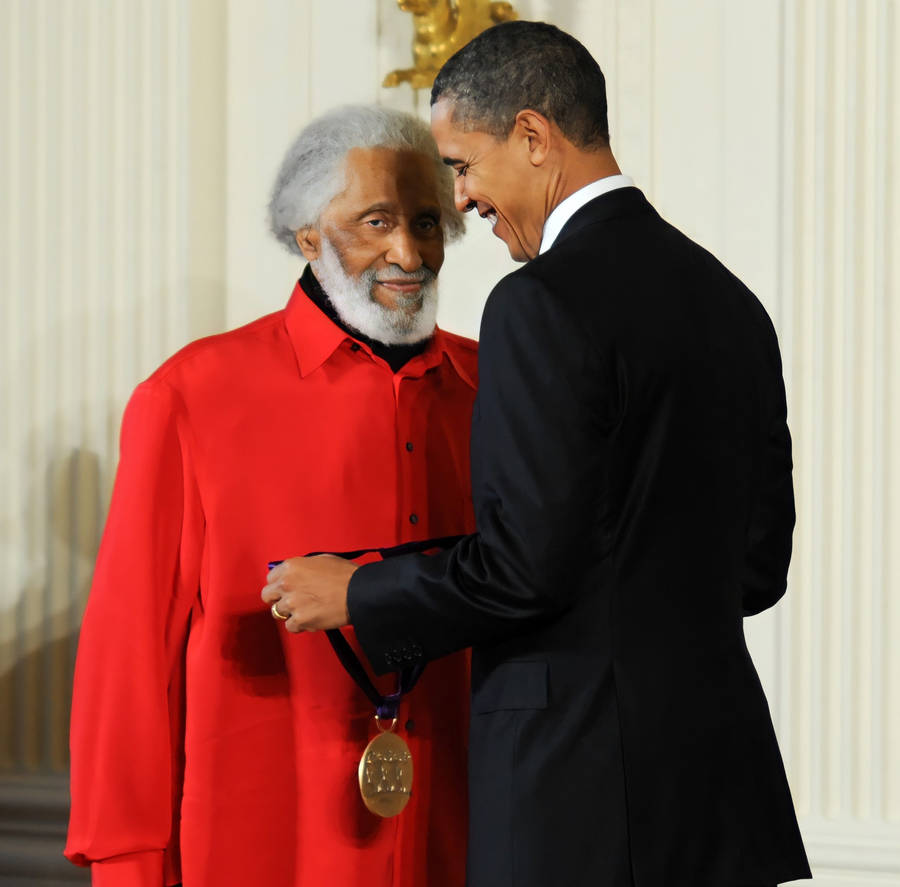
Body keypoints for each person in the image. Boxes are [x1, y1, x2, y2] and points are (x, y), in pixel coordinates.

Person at [262, 21, 813, 887]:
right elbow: (759, 569)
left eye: (463, 164)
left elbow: (523, 570)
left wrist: (357, 589)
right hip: (719, 796)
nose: (465, 199)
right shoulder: (732, 302)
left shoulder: (538, 305)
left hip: (578, 801)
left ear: (532, 136)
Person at [65, 105, 478, 887]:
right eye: (376, 220)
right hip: (261, 840)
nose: (408, 251)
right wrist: (129, 862)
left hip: (465, 835)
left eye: (427, 222)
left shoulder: (499, 387)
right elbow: (129, 660)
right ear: (309, 234)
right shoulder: (190, 396)